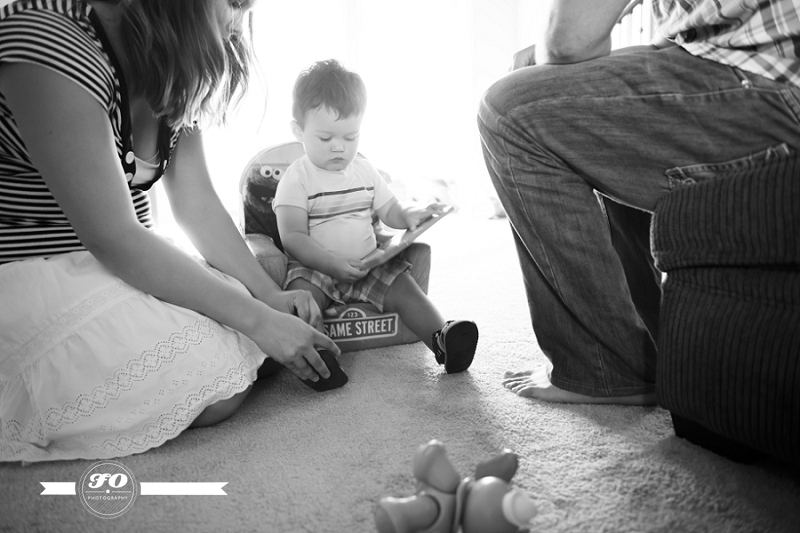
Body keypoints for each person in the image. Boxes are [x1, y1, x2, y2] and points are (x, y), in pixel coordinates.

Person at [0, 0, 341, 463]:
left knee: (244, 322)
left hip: (123, 261)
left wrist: (267, 297)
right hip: (33, 272)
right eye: (234, 3)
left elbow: (195, 203)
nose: (240, 17)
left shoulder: (176, 63)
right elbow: (113, 236)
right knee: (218, 376)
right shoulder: (49, 39)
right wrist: (260, 321)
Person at [478, 0, 800, 404]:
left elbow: (569, 42)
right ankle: (657, 353)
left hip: (777, 95)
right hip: (768, 79)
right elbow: (687, 39)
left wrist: (545, 59)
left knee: (508, 109)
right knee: (587, 100)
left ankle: (605, 367)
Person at [273, 59, 479, 374]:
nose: (339, 148)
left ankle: (442, 338)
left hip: (367, 265)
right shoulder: (296, 178)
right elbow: (293, 237)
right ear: (298, 130)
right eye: (325, 139)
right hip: (316, 269)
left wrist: (412, 213)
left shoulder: (365, 170)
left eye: (350, 137)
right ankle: (316, 361)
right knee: (302, 301)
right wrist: (330, 264)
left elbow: (391, 211)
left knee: (404, 286)